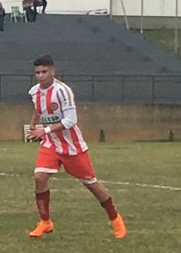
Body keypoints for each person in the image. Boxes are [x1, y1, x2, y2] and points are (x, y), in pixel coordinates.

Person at [26, 54, 124, 239]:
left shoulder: (63, 91)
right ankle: (45, 222)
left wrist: (44, 130)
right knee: (39, 177)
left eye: (44, 72)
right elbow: (38, 109)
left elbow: (71, 120)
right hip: (51, 144)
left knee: (91, 184)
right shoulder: (34, 92)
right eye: (37, 72)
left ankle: (115, 218)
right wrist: (33, 124)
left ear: (53, 71)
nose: (40, 76)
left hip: (72, 146)